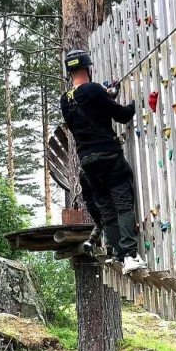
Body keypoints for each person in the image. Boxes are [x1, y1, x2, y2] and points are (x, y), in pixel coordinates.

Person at [60, 48, 146, 274]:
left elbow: (88, 108)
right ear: (88, 68)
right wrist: (136, 104)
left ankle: (117, 254)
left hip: (87, 162)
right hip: (109, 155)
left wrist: (106, 96)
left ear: (69, 72)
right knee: (123, 203)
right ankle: (130, 255)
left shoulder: (65, 100)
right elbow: (121, 115)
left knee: (107, 210)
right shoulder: (94, 90)